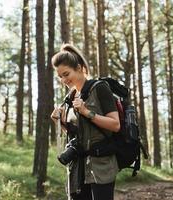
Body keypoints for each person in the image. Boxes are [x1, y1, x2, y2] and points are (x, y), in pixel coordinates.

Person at [50, 43, 120, 200]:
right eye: (60, 76)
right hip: (77, 168)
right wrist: (60, 122)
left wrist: (87, 112)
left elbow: (115, 125)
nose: (63, 80)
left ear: (80, 68)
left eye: (66, 74)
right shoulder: (69, 98)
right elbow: (76, 134)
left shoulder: (100, 88)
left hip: (100, 167)